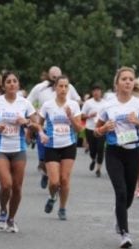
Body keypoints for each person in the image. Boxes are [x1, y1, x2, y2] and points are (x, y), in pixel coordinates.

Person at [96, 67, 139, 248]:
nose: (128, 82)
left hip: (133, 152)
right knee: (120, 192)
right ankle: (125, 233)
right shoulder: (108, 105)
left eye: (131, 79)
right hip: (114, 152)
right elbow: (96, 132)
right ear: (117, 83)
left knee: (128, 195)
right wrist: (104, 129)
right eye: (124, 79)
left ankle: (120, 217)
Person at [0, 71, 37, 233]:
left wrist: (26, 122)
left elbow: (36, 125)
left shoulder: (25, 103)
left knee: (17, 187)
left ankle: (11, 218)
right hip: (0, 148)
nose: (12, 84)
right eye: (8, 82)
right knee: (6, 184)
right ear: (4, 85)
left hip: (18, 148)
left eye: (15, 81)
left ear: (18, 84)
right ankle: (2, 210)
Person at [27, 66, 82, 188]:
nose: (62, 87)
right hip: (46, 129)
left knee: (62, 169)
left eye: (58, 77)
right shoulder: (39, 88)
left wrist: (71, 110)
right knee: (43, 159)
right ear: (49, 76)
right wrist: (35, 112)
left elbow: (78, 100)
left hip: (66, 130)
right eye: (54, 78)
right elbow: (28, 101)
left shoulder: (69, 87)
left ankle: (55, 179)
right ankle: (47, 172)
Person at [38, 75, 82, 221]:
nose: (63, 89)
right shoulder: (47, 105)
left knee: (64, 179)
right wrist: (41, 133)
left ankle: (62, 208)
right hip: (51, 145)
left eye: (66, 86)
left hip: (69, 145)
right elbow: (39, 124)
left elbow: (79, 129)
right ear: (55, 88)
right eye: (60, 86)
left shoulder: (74, 105)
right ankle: (52, 197)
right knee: (54, 182)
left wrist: (70, 117)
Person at [81, 84, 105, 177]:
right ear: (92, 92)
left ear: (101, 92)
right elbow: (82, 116)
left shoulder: (105, 103)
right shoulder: (88, 103)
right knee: (92, 149)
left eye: (98, 90)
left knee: (100, 149)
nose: (96, 92)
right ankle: (93, 159)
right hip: (90, 128)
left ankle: (98, 169)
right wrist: (89, 116)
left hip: (101, 129)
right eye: (94, 91)